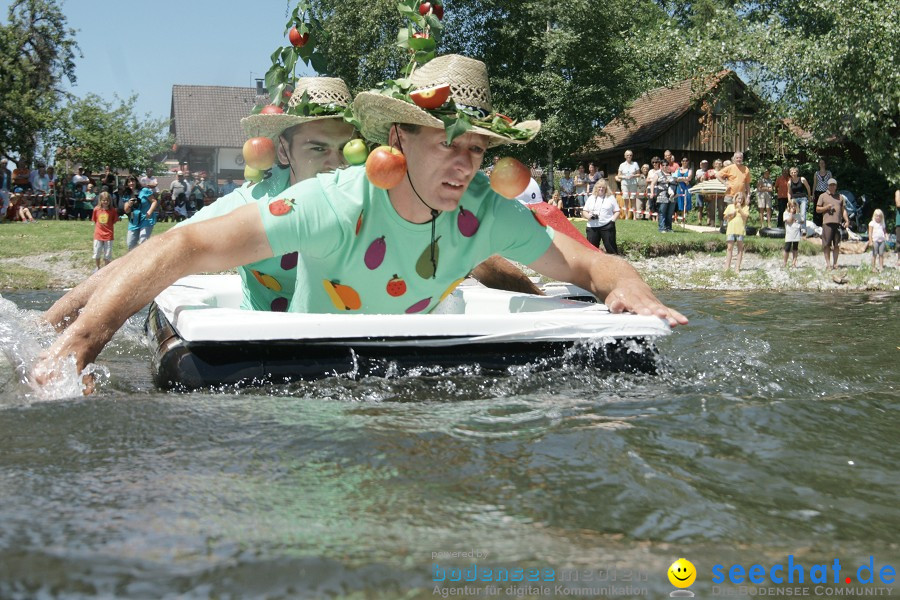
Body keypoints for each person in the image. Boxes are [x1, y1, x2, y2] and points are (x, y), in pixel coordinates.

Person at [34, 54, 686, 386]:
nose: (462, 165)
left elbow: (591, 261)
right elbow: (178, 249)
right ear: (400, 138)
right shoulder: (330, 203)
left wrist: (623, 282)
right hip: (296, 363)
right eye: (443, 142)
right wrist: (72, 353)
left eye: (475, 148)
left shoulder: (487, 213)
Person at [814, 178, 849, 270]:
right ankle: (828, 264)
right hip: (827, 223)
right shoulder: (823, 196)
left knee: (836, 245)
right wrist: (826, 207)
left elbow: (843, 210)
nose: (832, 186)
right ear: (828, 186)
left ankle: (835, 263)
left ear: (836, 186)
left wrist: (847, 220)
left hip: (837, 223)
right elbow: (817, 209)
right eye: (830, 185)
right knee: (826, 245)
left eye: (834, 185)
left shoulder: (840, 197)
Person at [582, 178, 619, 254]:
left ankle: (614, 263)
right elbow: (584, 211)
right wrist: (589, 217)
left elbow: (617, 211)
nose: (601, 189)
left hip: (607, 225)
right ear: (596, 188)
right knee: (591, 250)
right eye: (599, 187)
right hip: (592, 226)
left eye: (603, 187)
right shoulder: (591, 198)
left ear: (606, 188)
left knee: (611, 248)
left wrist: (612, 221)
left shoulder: (611, 198)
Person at [91, 191, 118, 270]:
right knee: (97, 253)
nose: (105, 202)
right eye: (103, 200)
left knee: (107, 254)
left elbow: (114, 221)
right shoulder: (96, 209)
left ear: (110, 201)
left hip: (108, 235)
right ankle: (97, 267)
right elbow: (95, 220)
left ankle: (106, 269)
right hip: (98, 235)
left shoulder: (112, 210)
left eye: (107, 200)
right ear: (100, 200)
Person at [724, 192, 749, 272]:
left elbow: (745, 217)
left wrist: (740, 209)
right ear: (735, 198)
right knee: (729, 248)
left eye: (742, 199)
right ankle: (727, 266)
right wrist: (730, 214)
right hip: (731, 229)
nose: (740, 200)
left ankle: (737, 267)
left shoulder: (745, 207)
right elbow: (724, 217)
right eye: (739, 198)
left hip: (740, 230)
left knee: (740, 248)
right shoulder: (730, 206)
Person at [648, 157, 674, 233]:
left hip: (671, 196)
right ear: (661, 166)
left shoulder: (671, 174)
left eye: (666, 165)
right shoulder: (658, 174)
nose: (665, 166)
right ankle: (662, 228)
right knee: (662, 212)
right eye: (663, 165)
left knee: (669, 213)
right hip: (661, 195)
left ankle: (669, 227)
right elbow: (652, 183)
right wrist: (652, 193)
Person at [787, 167, 812, 237]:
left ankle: (803, 229)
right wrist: (789, 201)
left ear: (797, 173)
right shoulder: (789, 182)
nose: (793, 174)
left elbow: (808, 187)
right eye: (792, 173)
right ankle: (796, 228)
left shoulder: (802, 179)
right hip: (794, 199)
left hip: (803, 198)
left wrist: (809, 196)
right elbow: (789, 192)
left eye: (795, 172)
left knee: (803, 213)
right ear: (790, 174)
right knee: (795, 214)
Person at [616, 150, 640, 220]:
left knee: (633, 199)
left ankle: (634, 216)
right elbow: (619, 175)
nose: (629, 156)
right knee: (626, 199)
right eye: (627, 155)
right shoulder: (622, 165)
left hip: (633, 183)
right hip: (625, 184)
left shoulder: (635, 164)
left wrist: (633, 175)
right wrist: (624, 177)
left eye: (630, 155)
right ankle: (626, 216)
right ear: (625, 156)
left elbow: (639, 174)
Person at [811, 158, 832, 227]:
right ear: (819, 164)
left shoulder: (829, 173)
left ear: (825, 164)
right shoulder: (816, 173)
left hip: (826, 193)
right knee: (817, 208)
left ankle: (826, 224)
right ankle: (817, 224)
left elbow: (831, 183)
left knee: (826, 208)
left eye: (823, 163)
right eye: (820, 163)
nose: (822, 164)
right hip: (818, 193)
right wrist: (813, 194)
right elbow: (815, 183)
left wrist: (831, 192)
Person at [782, 199, 801, 268]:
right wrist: (791, 214)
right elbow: (789, 221)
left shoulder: (798, 214)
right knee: (787, 248)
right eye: (791, 206)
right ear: (789, 207)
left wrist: (797, 216)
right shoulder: (786, 213)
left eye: (794, 206)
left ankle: (794, 262)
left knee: (795, 248)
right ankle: (785, 262)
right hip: (789, 233)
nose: (793, 208)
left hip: (796, 233)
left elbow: (801, 222)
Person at [694, 159, 708, 225]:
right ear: (700, 165)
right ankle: (699, 221)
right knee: (700, 206)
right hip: (699, 189)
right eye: (703, 164)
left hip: (707, 190)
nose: (704, 165)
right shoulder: (698, 171)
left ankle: (708, 221)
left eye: (705, 164)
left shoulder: (709, 171)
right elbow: (697, 178)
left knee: (708, 206)